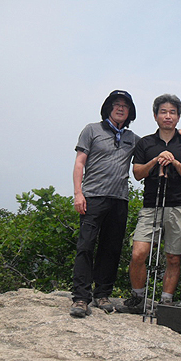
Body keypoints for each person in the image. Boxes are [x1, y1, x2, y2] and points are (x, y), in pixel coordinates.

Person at [116, 94, 181, 314]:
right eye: (163, 111)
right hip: (151, 205)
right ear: (155, 115)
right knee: (138, 254)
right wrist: (156, 160)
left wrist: (175, 162)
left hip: (179, 206)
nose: (168, 116)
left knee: (173, 256)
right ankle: (138, 297)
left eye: (172, 112)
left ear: (178, 117)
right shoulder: (145, 143)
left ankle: (166, 302)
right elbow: (137, 174)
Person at [70, 90, 140, 318]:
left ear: (130, 112)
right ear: (108, 108)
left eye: (125, 106)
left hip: (119, 199)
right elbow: (80, 163)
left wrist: (179, 133)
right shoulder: (92, 130)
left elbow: (155, 146)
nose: (120, 108)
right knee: (85, 246)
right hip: (92, 197)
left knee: (111, 249)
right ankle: (81, 298)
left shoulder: (133, 138)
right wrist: (78, 193)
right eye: (116, 104)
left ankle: (102, 295)